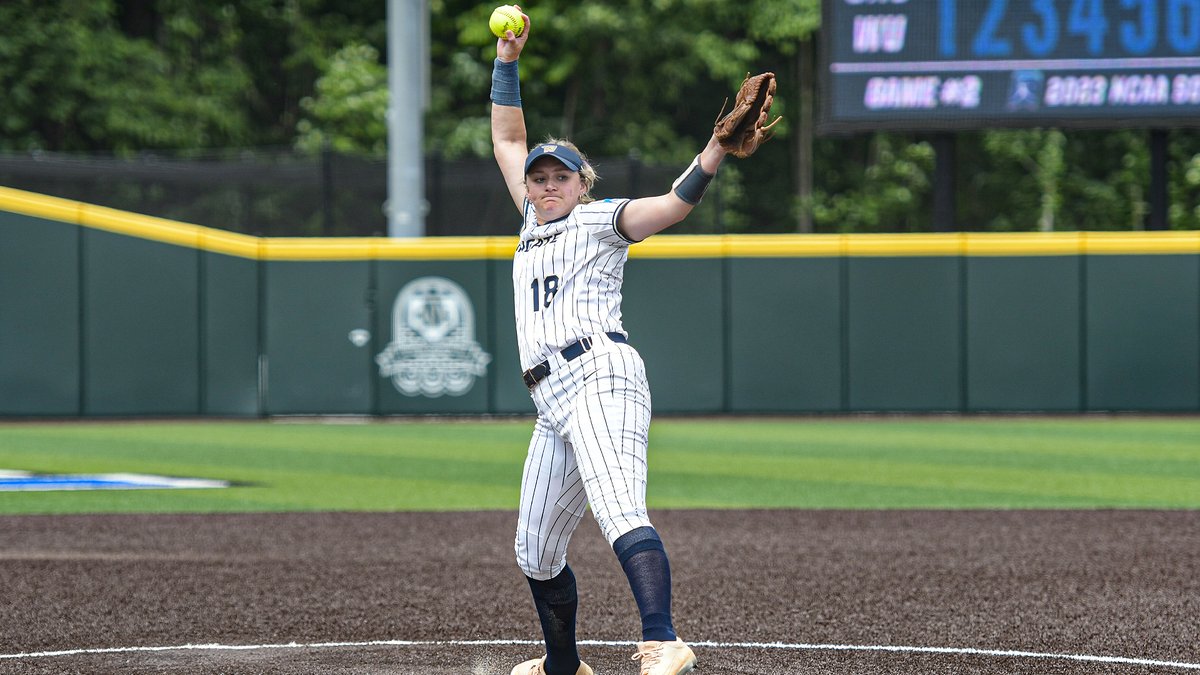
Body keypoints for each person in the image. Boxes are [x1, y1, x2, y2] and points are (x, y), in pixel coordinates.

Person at [490, 8, 749, 675]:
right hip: (549, 398)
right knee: (534, 549)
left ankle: (665, 639)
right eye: (540, 177)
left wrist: (714, 151)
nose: (547, 184)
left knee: (616, 504)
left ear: (583, 183)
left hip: (600, 370)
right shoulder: (529, 220)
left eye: (560, 177)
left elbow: (671, 206)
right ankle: (562, 664)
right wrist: (508, 62)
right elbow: (506, 135)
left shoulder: (602, 220)